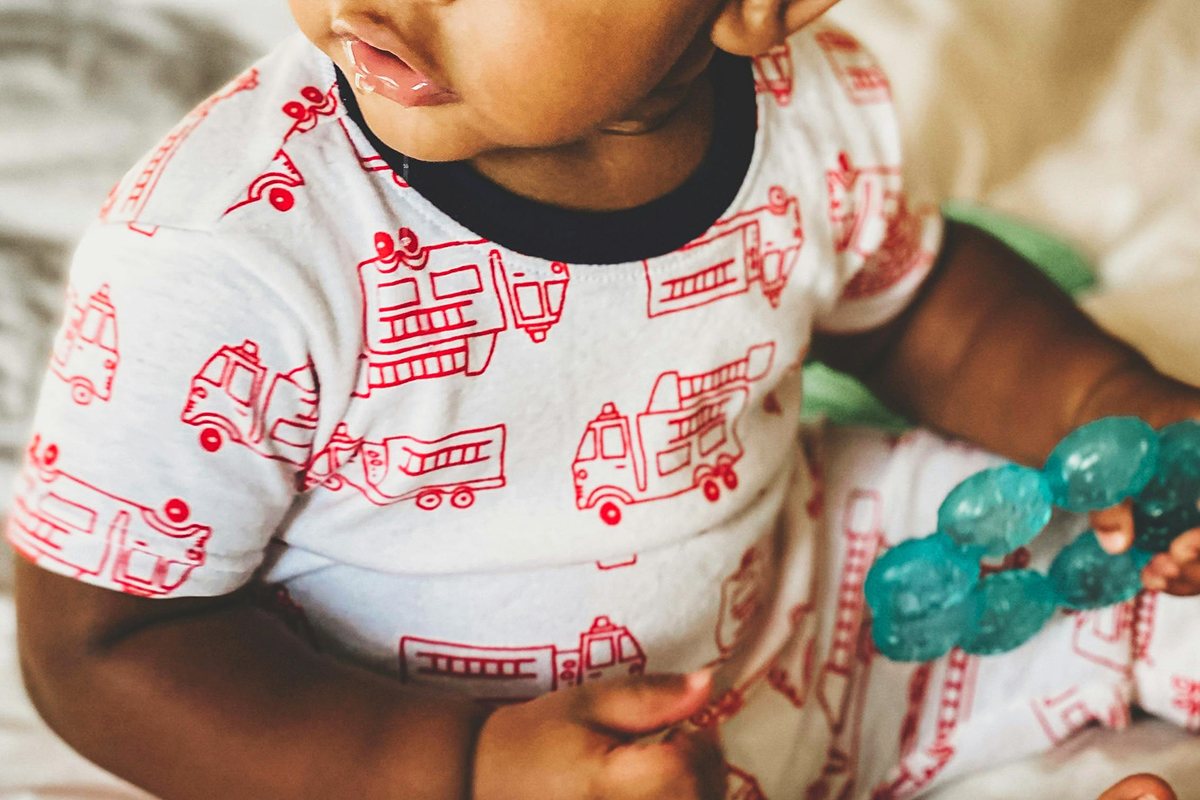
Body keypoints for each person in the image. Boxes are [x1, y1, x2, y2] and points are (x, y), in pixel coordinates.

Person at [8, 0, 1199, 798]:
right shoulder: (228, 254)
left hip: (818, 605)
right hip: (442, 748)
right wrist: (463, 764)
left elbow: (933, 304)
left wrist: (1116, 404)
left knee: (1153, 563)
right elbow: (100, 641)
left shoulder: (802, 105)